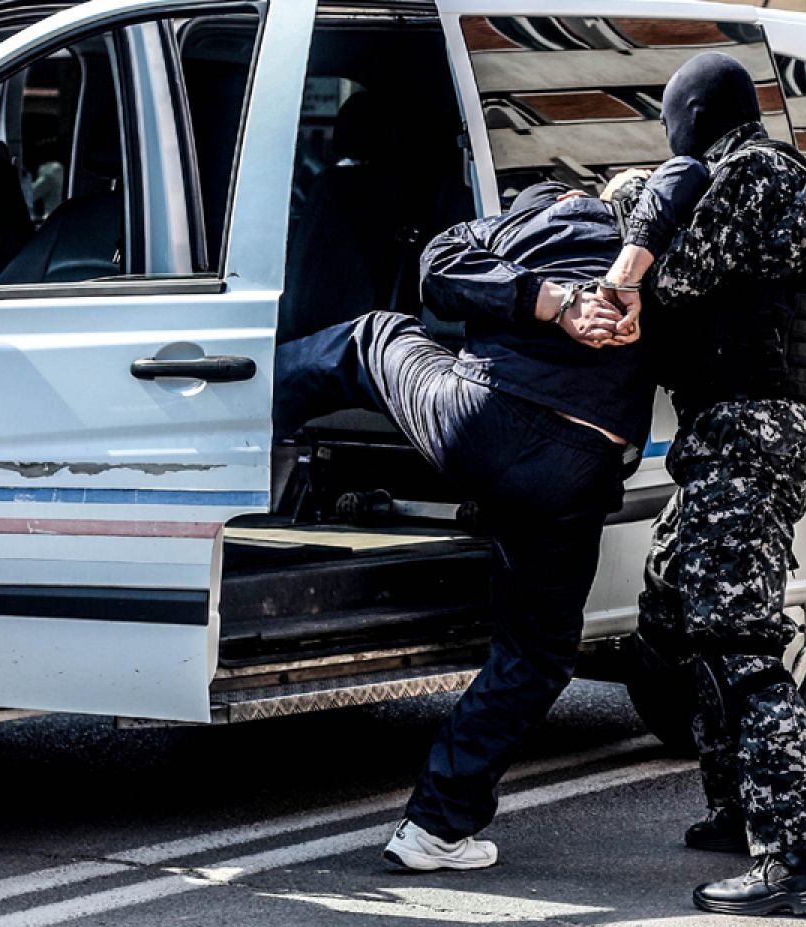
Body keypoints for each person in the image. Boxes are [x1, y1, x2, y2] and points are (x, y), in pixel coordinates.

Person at [273, 182, 655, 871]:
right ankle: (434, 827)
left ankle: (240, 410)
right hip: (571, 468)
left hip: (478, 421)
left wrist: (545, 299)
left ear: (553, 200)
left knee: (372, 335)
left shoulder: (511, 229)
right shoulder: (657, 265)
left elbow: (437, 272)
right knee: (536, 655)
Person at [602, 52, 806, 917]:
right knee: (672, 604)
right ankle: (738, 801)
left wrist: (632, 201)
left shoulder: (750, 175)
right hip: (741, 435)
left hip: (746, 433)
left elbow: (675, 278)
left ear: (696, 117)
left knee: (740, 647)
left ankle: (798, 860)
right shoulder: (777, 177)